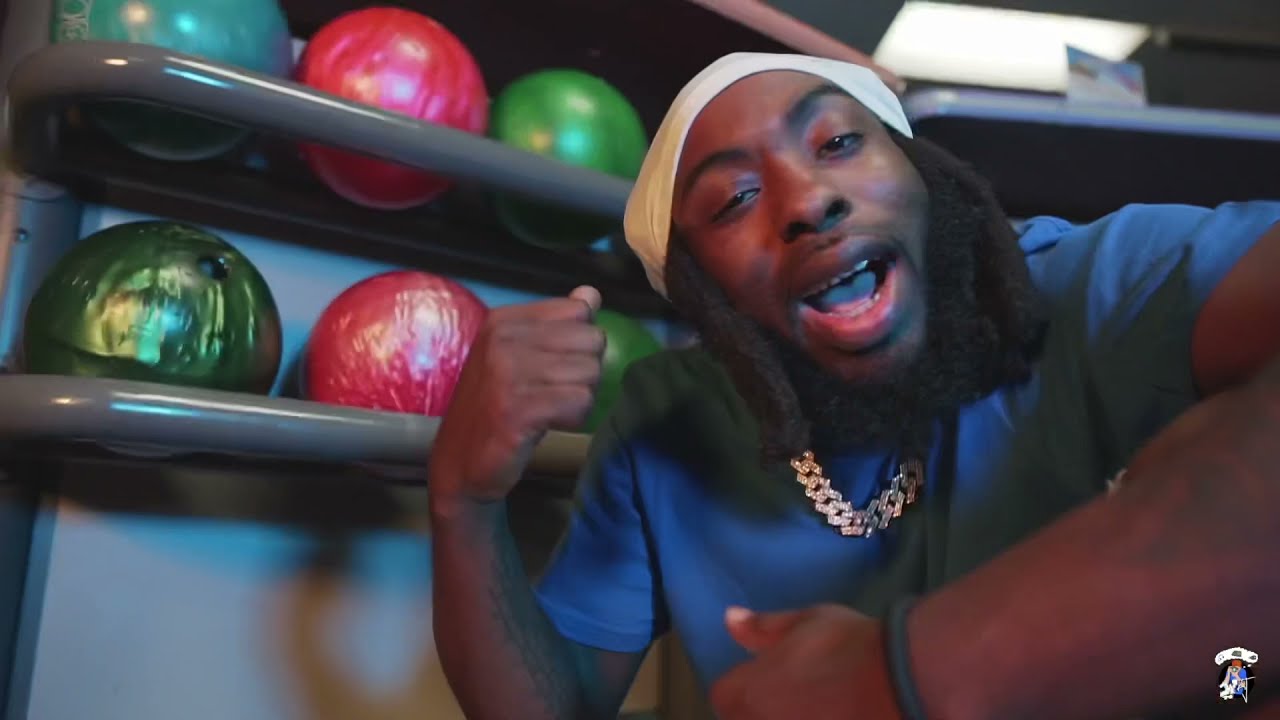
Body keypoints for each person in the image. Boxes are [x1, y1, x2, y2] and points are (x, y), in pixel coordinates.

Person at [428, 52, 1280, 720]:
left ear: (921, 175)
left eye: (838, 143)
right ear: (705, 297)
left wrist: (920, 668)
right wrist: (463, 503)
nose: (807, 200)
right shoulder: (671, 419)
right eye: (734, 199)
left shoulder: (1097, 284)